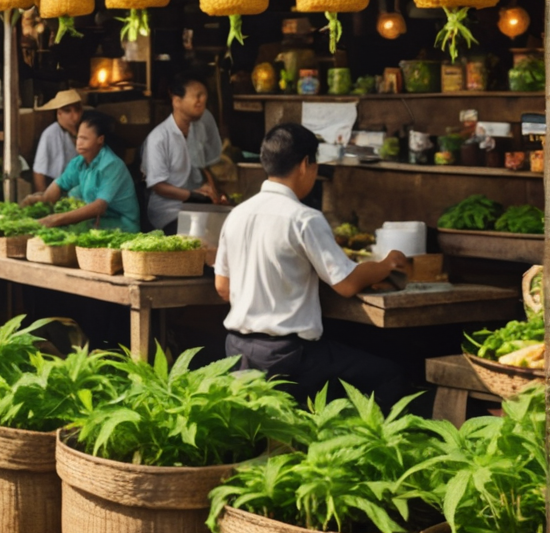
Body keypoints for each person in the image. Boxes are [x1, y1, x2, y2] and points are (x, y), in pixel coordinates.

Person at [217, 123, 409, 403]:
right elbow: (346, 284)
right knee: (389, 375)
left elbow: (223, 287)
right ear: (306, 164)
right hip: (288, 358)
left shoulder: (237, 214)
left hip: (236, 351)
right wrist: (387, 264)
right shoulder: (304, 218)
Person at [21, 109, 141, 231]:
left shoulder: (111, 165)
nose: (79, 143)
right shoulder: (79, 162)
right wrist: (43, 200)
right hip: (96, 223)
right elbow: (60, 184)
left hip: (122, 226)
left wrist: (56, 219)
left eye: (84, 138)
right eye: (78, 138)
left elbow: (99, 207)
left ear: (100, 140)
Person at [143, 72, 225, 233]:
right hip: (169, 212)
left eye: (204, 96)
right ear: (177, 101)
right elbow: (158, 185)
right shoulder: (158, 138)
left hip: (197, 207)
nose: (202, 101)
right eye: (197, 96)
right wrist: (192, 195)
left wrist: (213, 193)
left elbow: (203, 166)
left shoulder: (199, 127)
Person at [31, 90, 84, 191]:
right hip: (58, 188)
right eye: (68, 111)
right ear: (59, 113)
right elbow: (38, 172)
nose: (74, 116)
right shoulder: (50, 134)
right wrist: (44, 199)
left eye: (77, 110)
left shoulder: (83, 130)